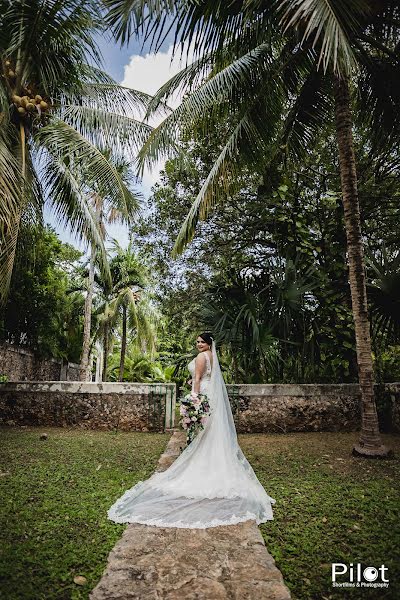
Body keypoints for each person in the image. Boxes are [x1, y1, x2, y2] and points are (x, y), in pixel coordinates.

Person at [107, 332, 276, 528]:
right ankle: (215, 468)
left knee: (204, 436)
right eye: (197, 342)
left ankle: (204, 469)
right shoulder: (212, 356)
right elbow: (206, 377)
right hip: (210, 397)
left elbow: (197, 378)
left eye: (202, 342)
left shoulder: (201, 357)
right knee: (211, 436)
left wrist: (193, 398)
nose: (198, 344)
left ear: (208, 343)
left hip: (201, 397)